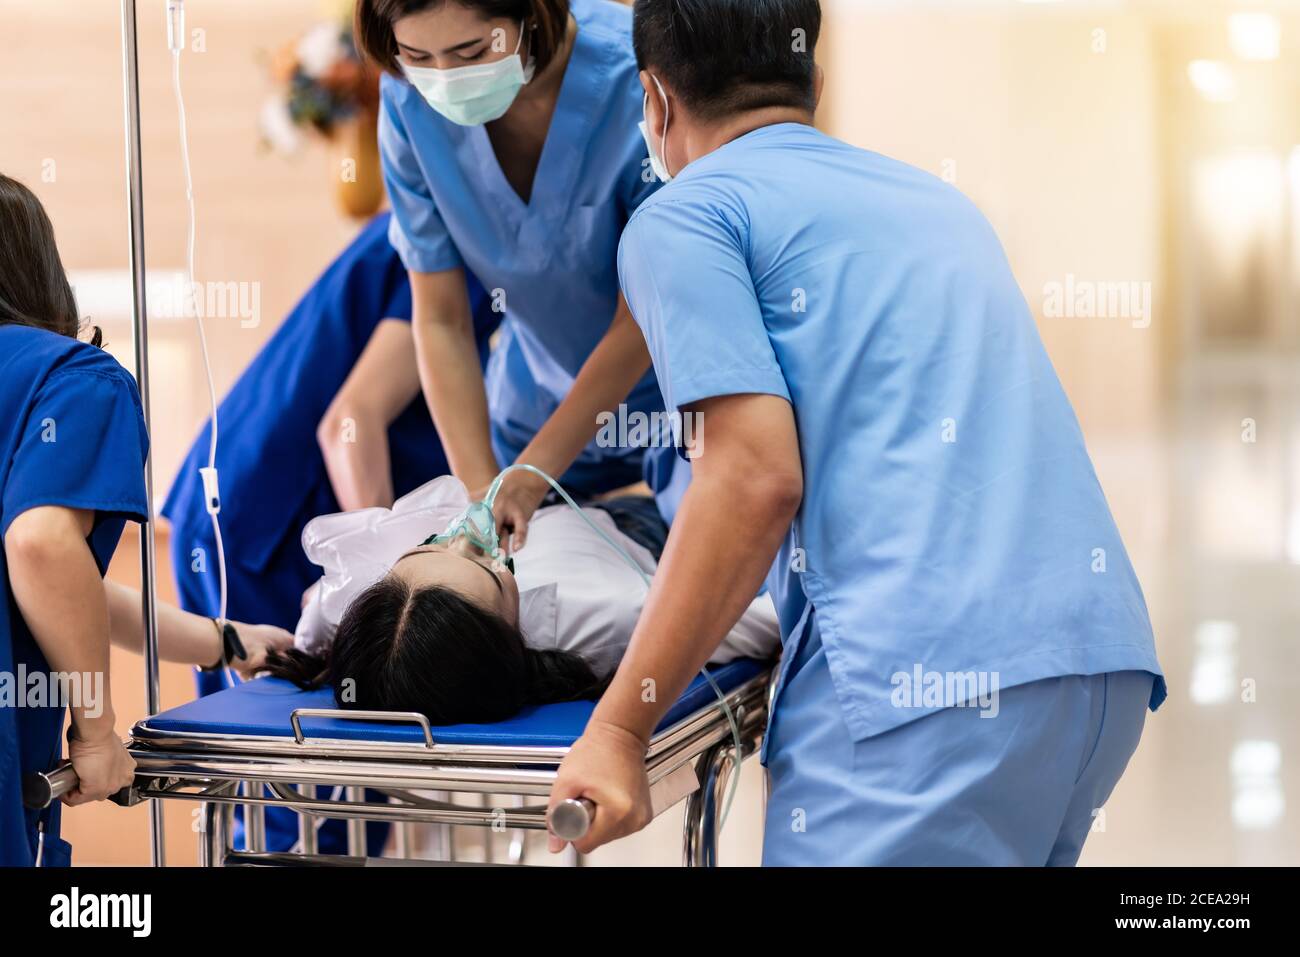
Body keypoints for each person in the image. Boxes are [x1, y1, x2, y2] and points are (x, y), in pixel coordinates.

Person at [548, 0, 1166, 866]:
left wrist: (618, 725)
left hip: (922, 695)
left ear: (654, 100)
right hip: (1095, 669)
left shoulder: (686, 216)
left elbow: (754, 479)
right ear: (815, 81)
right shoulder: (936, 201)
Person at [0, 174, 292, 867]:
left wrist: (222, 639)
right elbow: (41, 546)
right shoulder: (67, 376)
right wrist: (98, 734)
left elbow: (51, 585)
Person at [264, 476, 778, 723]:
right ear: (513, 634)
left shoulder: (371, 614)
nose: (466, 531)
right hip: (634, 528)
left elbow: (320, 616)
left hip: (548, 500)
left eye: (432, 545)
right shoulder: (617, 618)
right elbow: (771, 623)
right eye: (487, 567)